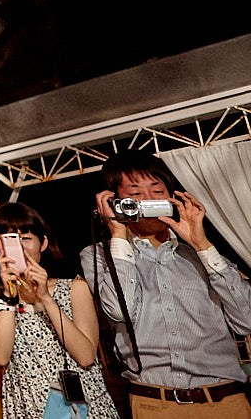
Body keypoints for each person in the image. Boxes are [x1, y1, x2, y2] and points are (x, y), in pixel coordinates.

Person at [80, 151, 251, 416]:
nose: (148, 200)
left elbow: (247, 320)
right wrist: (118, 234)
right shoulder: (100, 255)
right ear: (115, 202)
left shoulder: (201, 255)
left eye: (157, 190)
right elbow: (119, 311)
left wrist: (202, 245)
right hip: (153, 402)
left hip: (224, 399)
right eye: (135, 194)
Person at [0, 202, 114, 419]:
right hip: (26, 404)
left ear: (43, 242)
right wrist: (9, 296)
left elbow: (86, 356)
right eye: (8, 239)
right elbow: (0, 357)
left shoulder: (74, 288)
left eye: (26, 238)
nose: (18, 247)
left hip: (81, 406)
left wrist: (46, 299)